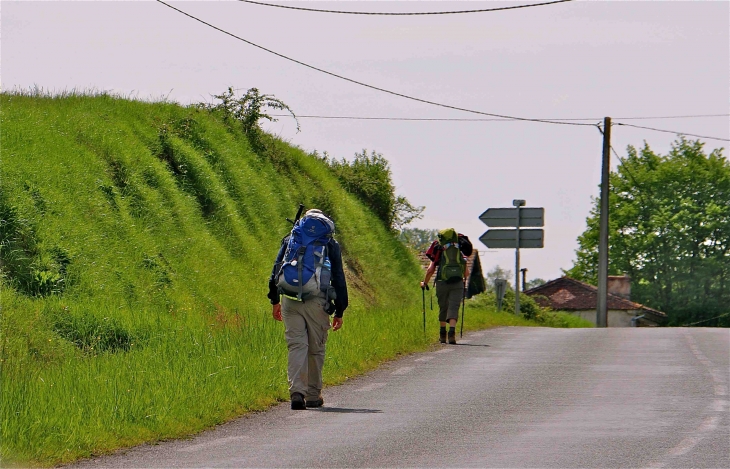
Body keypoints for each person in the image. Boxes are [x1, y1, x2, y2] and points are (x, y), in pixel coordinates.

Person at [267, 209, 348, 410]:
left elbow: (277, 267)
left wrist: (274, 300)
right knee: (316, 348)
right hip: (317, 301)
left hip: (290, 299)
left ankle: (296, 393)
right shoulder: (329, 243)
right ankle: (312, 395)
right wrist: (340, 310)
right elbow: (338, 276)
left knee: (296, 346)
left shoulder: (292, 238)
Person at [420, 229, 471, 344]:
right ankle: (452, 333)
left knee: (443, 307)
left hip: (442, 282)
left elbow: (431, 270)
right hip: (458, 282)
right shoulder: (460, 249)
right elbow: (466, 273)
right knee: (454, 306)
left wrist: (425, 283)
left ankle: (443, 335)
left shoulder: (439, 248)